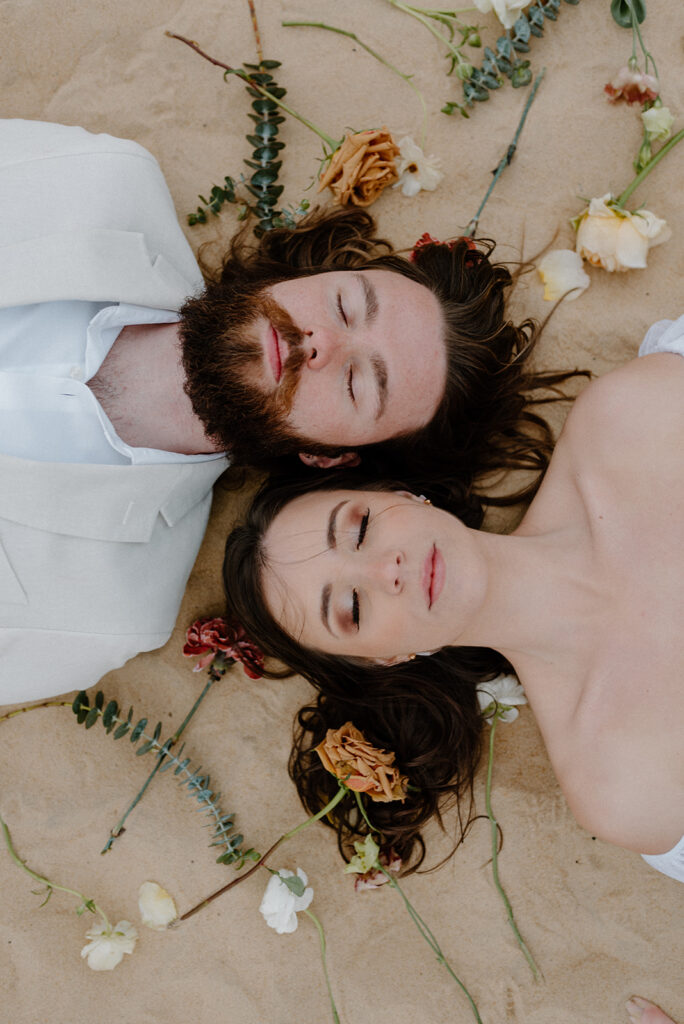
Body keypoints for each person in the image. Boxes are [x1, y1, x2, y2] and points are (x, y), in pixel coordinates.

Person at [0, 119, 582, 703]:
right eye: (345, 305)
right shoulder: (95, 182)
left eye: (359, 384)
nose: (321, 344)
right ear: (312, 275)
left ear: (327, 457)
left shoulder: (103, 610)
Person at [222, 313, 684, 890]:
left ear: (402, 496)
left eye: (360, 529)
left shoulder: (631, 422)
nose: (385, 570)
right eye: (353, 609)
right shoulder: (617, 782)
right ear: (385, 659)